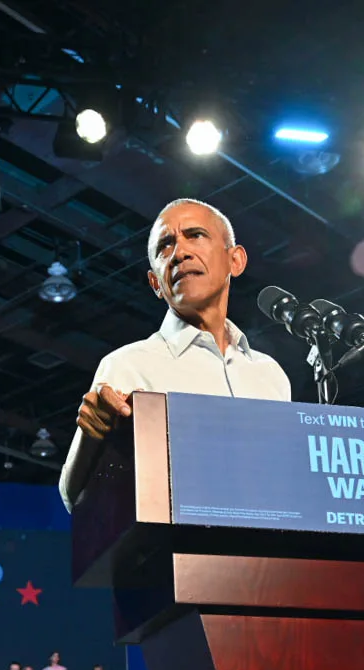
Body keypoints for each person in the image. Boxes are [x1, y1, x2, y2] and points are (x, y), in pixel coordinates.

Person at [59, 197, 290, 512]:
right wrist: (91, 437)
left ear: (235, 261)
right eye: (165, 246)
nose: (180, 252)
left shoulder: (271, 374)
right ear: (156, 282)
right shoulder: (128, 365)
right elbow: (76, 499)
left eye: (195, 235)